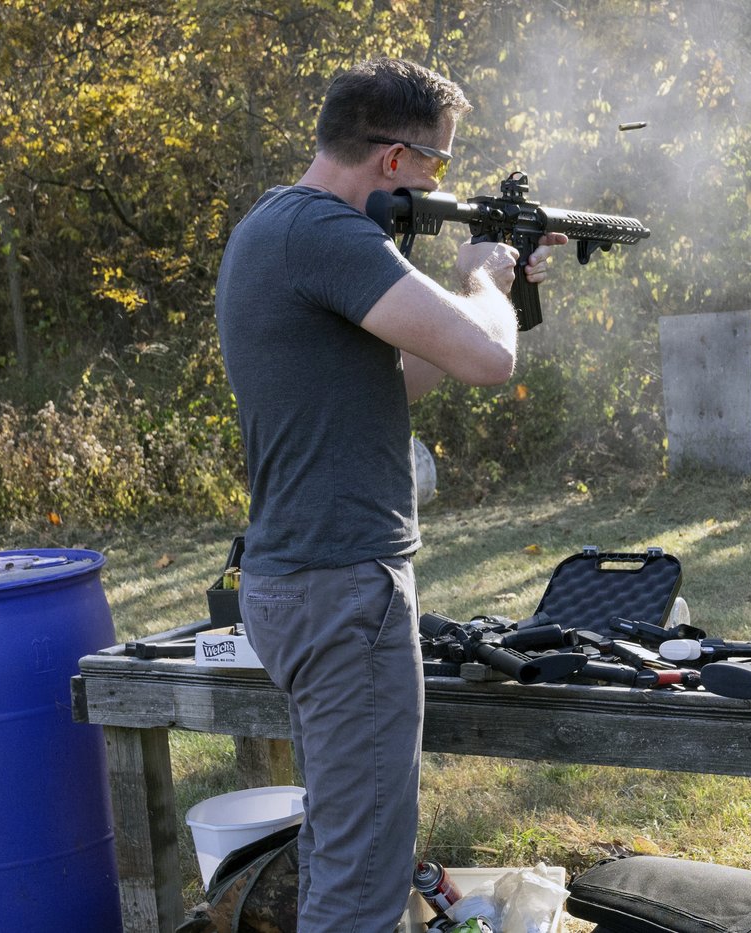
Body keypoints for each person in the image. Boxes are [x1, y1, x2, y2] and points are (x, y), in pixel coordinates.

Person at [215, 58, 566, 932]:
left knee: (346, 840)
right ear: (393, 160)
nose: (439, 182)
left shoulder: (271, 226)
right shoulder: (334, 236)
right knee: (363, 875)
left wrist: (499, 294)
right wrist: (483, 280)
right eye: (436, 165)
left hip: (297, 580)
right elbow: (488, 360)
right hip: (342, 588)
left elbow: (400, 377)